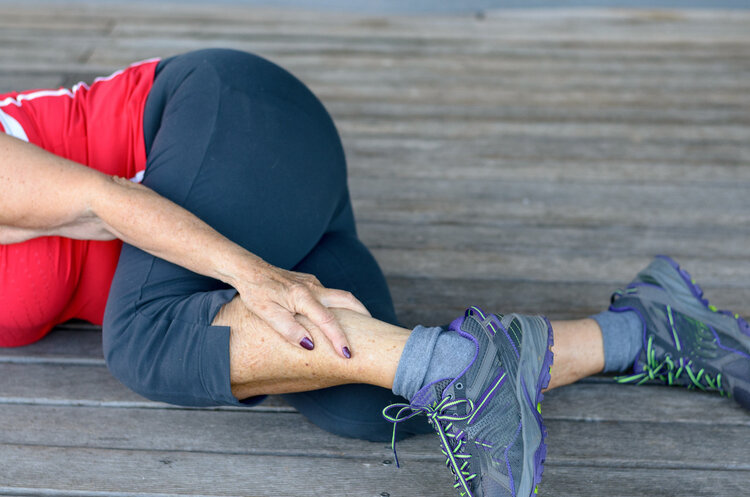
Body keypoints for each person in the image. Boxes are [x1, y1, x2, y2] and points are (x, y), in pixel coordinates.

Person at [1, 48, 747, 497]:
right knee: (372, 407)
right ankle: (645, 328)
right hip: (245, 224)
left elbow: (105, 202)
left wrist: (254, 275)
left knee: (142, 343)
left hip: (230, 123)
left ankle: (462, 368)